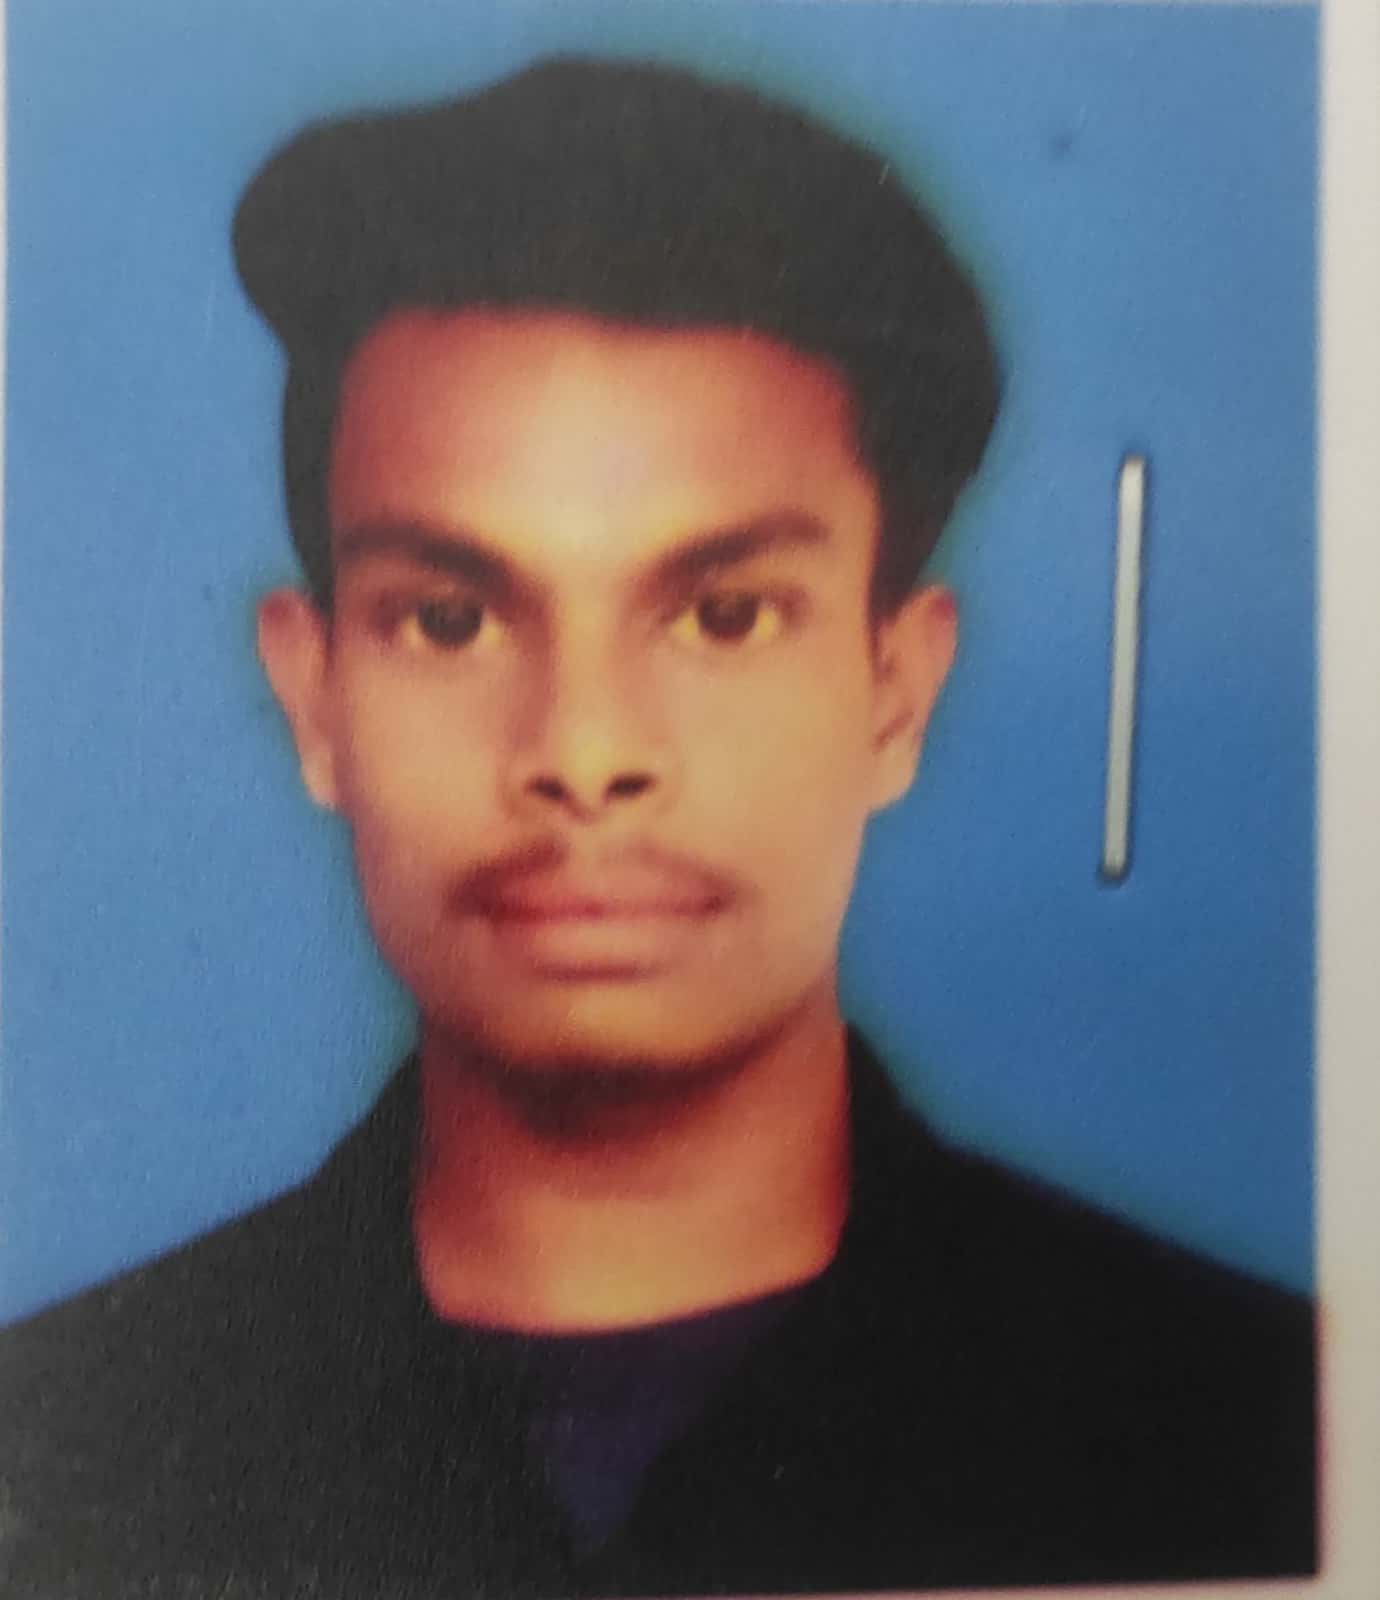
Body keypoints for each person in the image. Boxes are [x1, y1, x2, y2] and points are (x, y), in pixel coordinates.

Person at [0, 58, 1314, 1599]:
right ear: (314, 698)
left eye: (725, 614)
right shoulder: (58, 1445)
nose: (585, 753)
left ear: (897, 691)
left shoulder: (1267, 1433)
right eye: (448, 619)